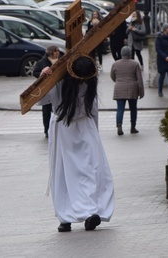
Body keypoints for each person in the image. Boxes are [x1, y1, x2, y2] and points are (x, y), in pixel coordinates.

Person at [39, 54, 114, 233]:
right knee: (74, 173)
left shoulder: (86, 82)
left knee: (82, 172)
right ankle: (70, 216)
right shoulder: (61, 81)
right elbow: (42, 101)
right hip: (70, 129)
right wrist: (44, 77)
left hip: (74, 128)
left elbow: (43, 101)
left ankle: (80, 214)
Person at [110, 46, 144, 135]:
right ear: (129, 53)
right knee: (133, 109)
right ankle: (133, 127)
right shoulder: (135, 64)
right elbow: (139, 79)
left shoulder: (115, 64)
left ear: (121, 53)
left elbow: (112, 76)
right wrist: (141, 92)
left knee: (120, 109)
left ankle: (119, 126)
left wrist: (118, 81)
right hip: (132, 88)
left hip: (119, 88)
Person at [33, 45, 61, 138]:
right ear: (50, 52)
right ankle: (47, 129)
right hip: (47, 89)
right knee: (46, 110)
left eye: (58, 51)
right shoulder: (42, 62)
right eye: (55, 51)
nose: (57, 52)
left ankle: (58, 128)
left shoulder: (61, 60)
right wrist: (43, 74)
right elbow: (35, 72)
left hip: (59, 87)